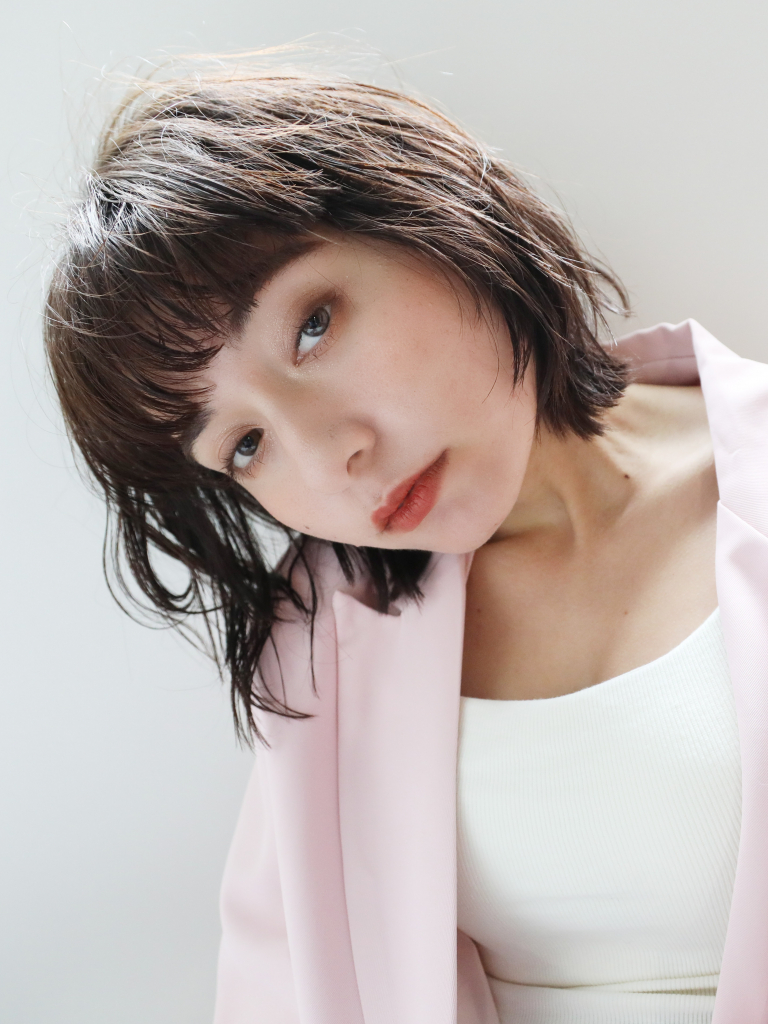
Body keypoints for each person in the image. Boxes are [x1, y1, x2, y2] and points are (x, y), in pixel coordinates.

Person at [43, 65, 768, 1024]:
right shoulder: (322, 650)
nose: (330, 457)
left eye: (311, 328)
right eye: (246, 445)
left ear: (432, 216)